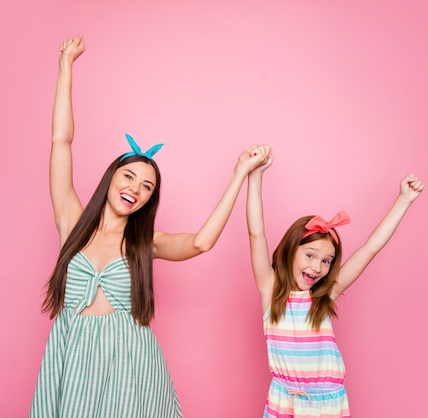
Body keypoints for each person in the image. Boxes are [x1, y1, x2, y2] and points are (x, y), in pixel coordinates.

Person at [30, 35, 272, 418]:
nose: (135, 189)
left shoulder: (145, 243)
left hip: (132, 364)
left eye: (147, 187)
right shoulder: (72, 221)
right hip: (72, 355)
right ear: (111, 178)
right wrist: (66, 66)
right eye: (129, 177)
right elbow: (62, 140)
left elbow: (200, 242)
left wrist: (240, 172)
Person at [246, 152, 424, 417]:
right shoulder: (270, 289)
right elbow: (256, 232)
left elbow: (369, 249)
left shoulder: (324, 293)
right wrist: (256, 175)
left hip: (327, 404)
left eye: (327, 261)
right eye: (310, 256)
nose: (317, 267)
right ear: (289, 250)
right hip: (284, 400)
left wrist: (403, 200)